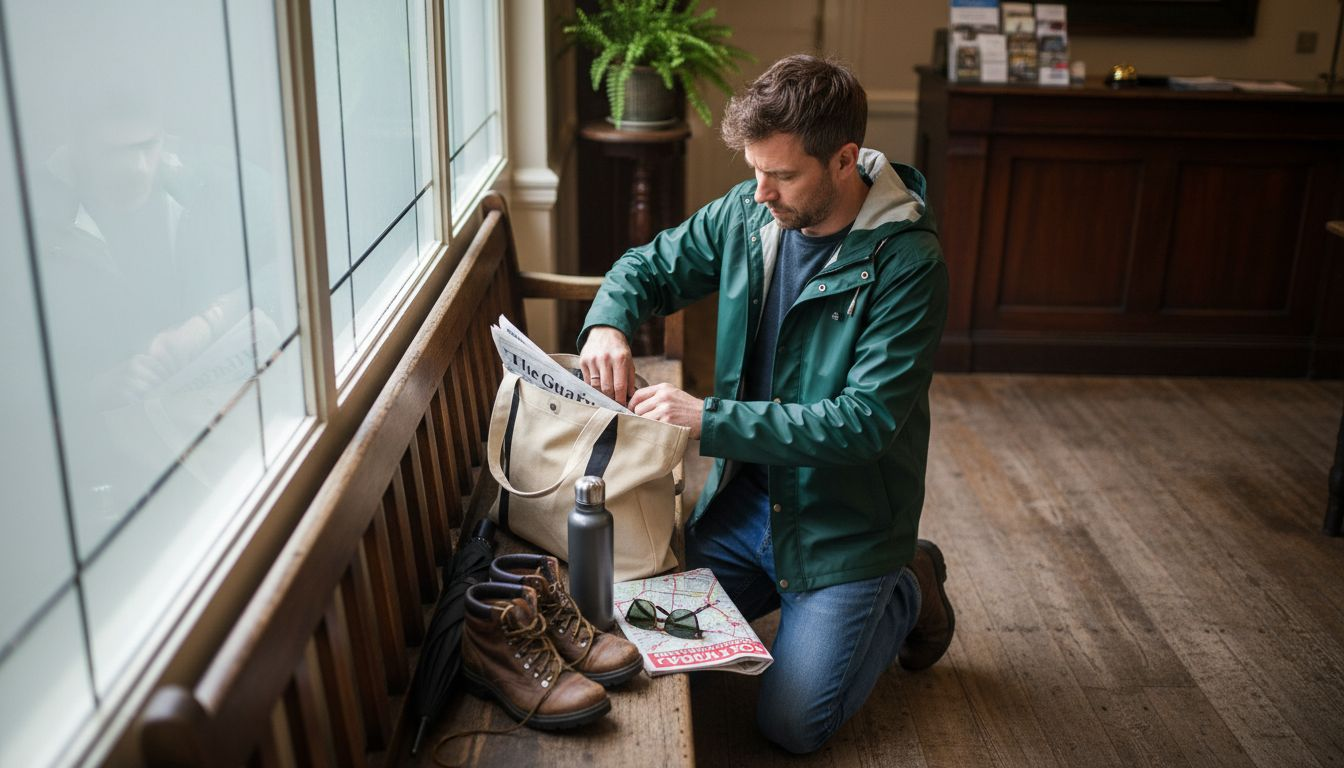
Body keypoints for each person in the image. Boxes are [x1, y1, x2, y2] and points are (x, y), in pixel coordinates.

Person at [578, 54, 955, 753]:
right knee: (636, 638)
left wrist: (707, 419)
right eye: (754, 170)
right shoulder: (750, 214)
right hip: (745, 507)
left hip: (844, 531)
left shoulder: (909, 265)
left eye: (781, 175)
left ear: (844, 160)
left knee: (790, 725)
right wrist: (607, 323)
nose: (760, 192)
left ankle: (907, 583)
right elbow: (648, 266)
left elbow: (863, 424)